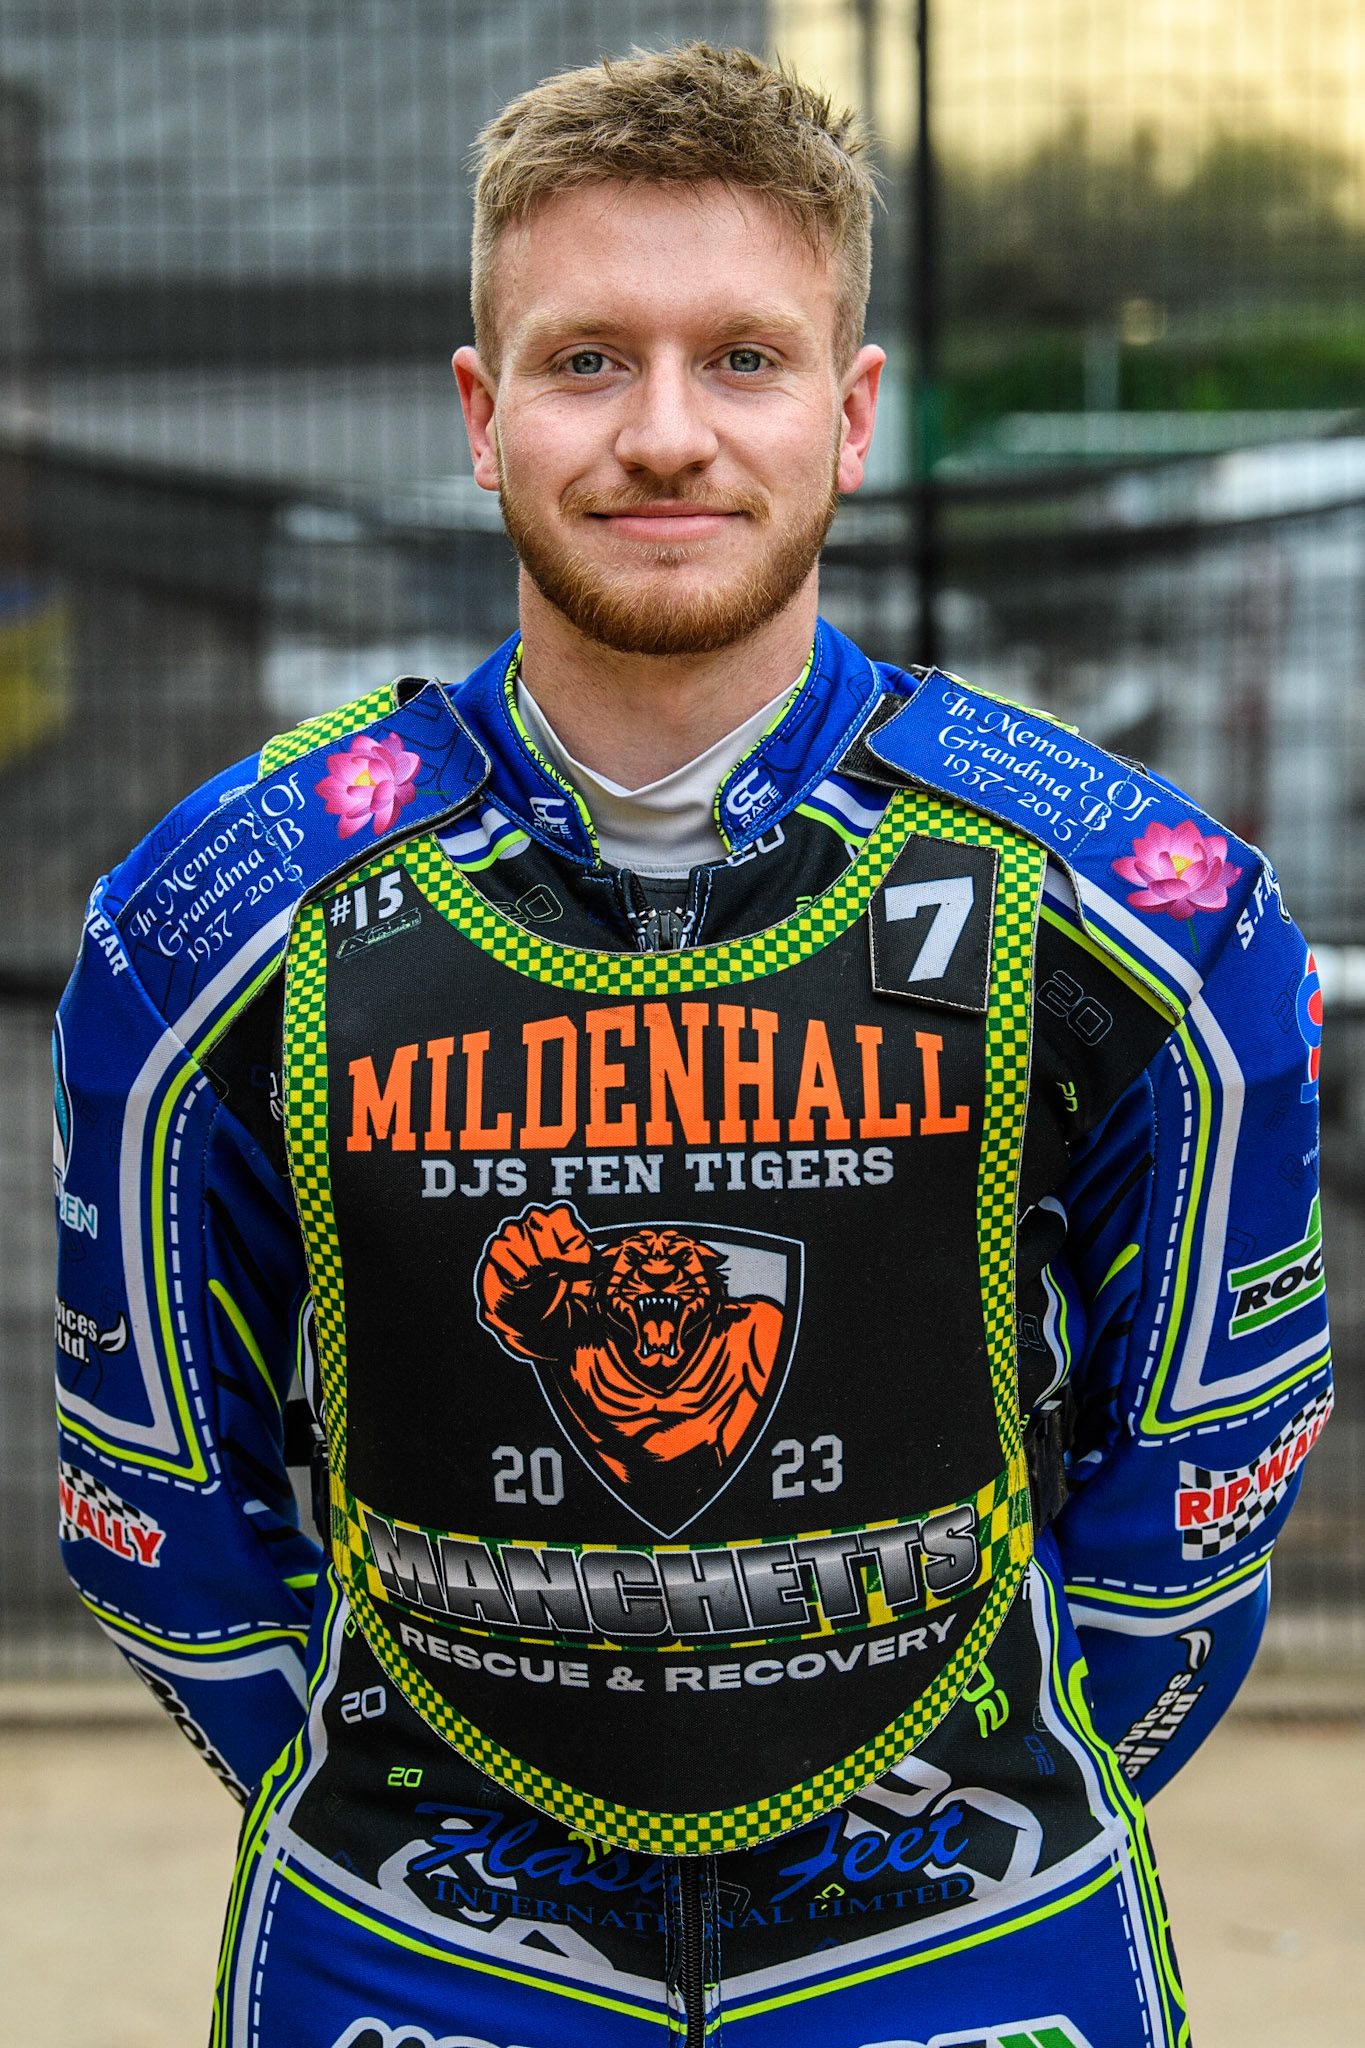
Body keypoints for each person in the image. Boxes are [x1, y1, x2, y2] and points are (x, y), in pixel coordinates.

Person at [53, 43, 1331, 2048]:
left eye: (739, 357)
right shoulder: (211, 927)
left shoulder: (1143, 922)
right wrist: (407, 1811)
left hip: (970, 1932)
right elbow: (153, 1506)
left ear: (852, 410)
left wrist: (969, 1799)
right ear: (479, 417)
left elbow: (1201, 1501)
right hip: (414, 1939)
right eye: (585, 361)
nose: (662, 433)